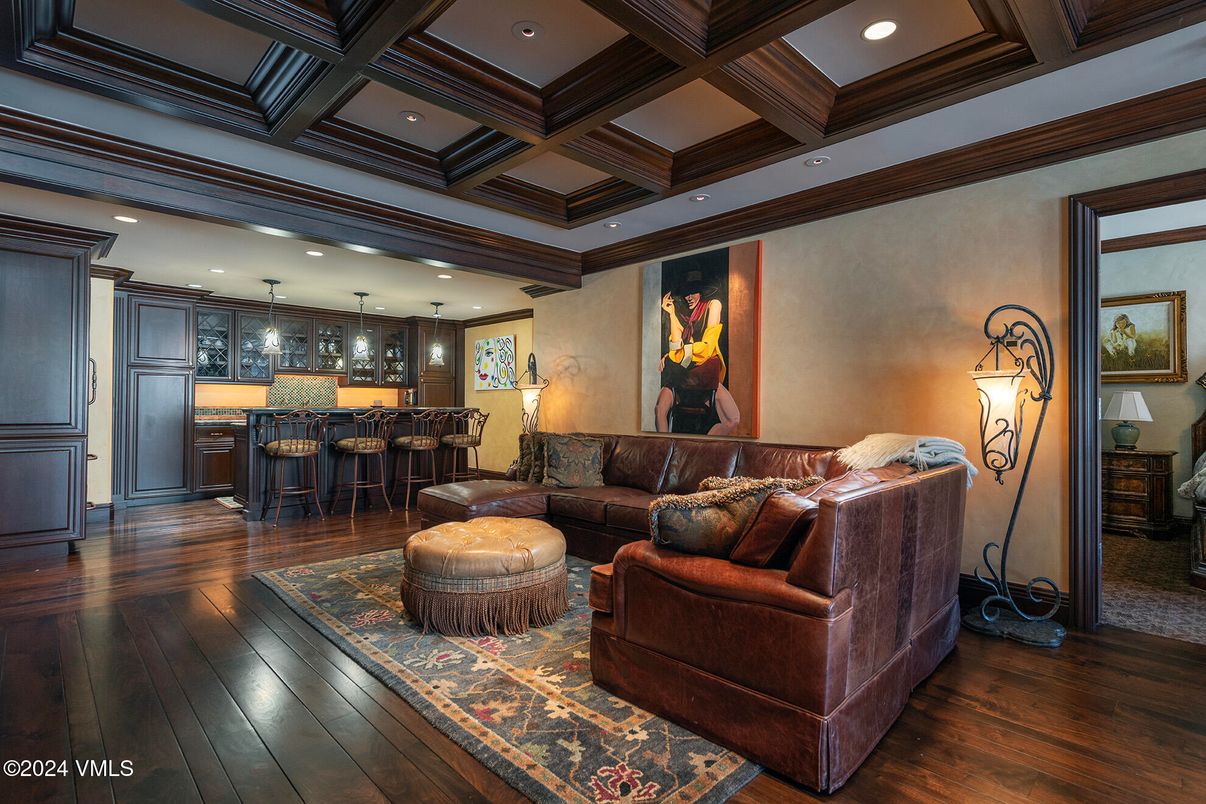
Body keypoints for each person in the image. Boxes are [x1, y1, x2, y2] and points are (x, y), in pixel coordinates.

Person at [655, 271, 740, 435]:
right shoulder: (682, 314)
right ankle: (664, 450)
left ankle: (701, 446)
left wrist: (676, 355)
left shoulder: (713, 305)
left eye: (693, 291)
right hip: (681, 375)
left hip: (704, 375)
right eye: (686, 292)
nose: (689, 297)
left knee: (733, 419)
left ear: (701, 291)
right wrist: (671, 313)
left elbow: (708, 347)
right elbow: (674, 344)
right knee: (660, 410)